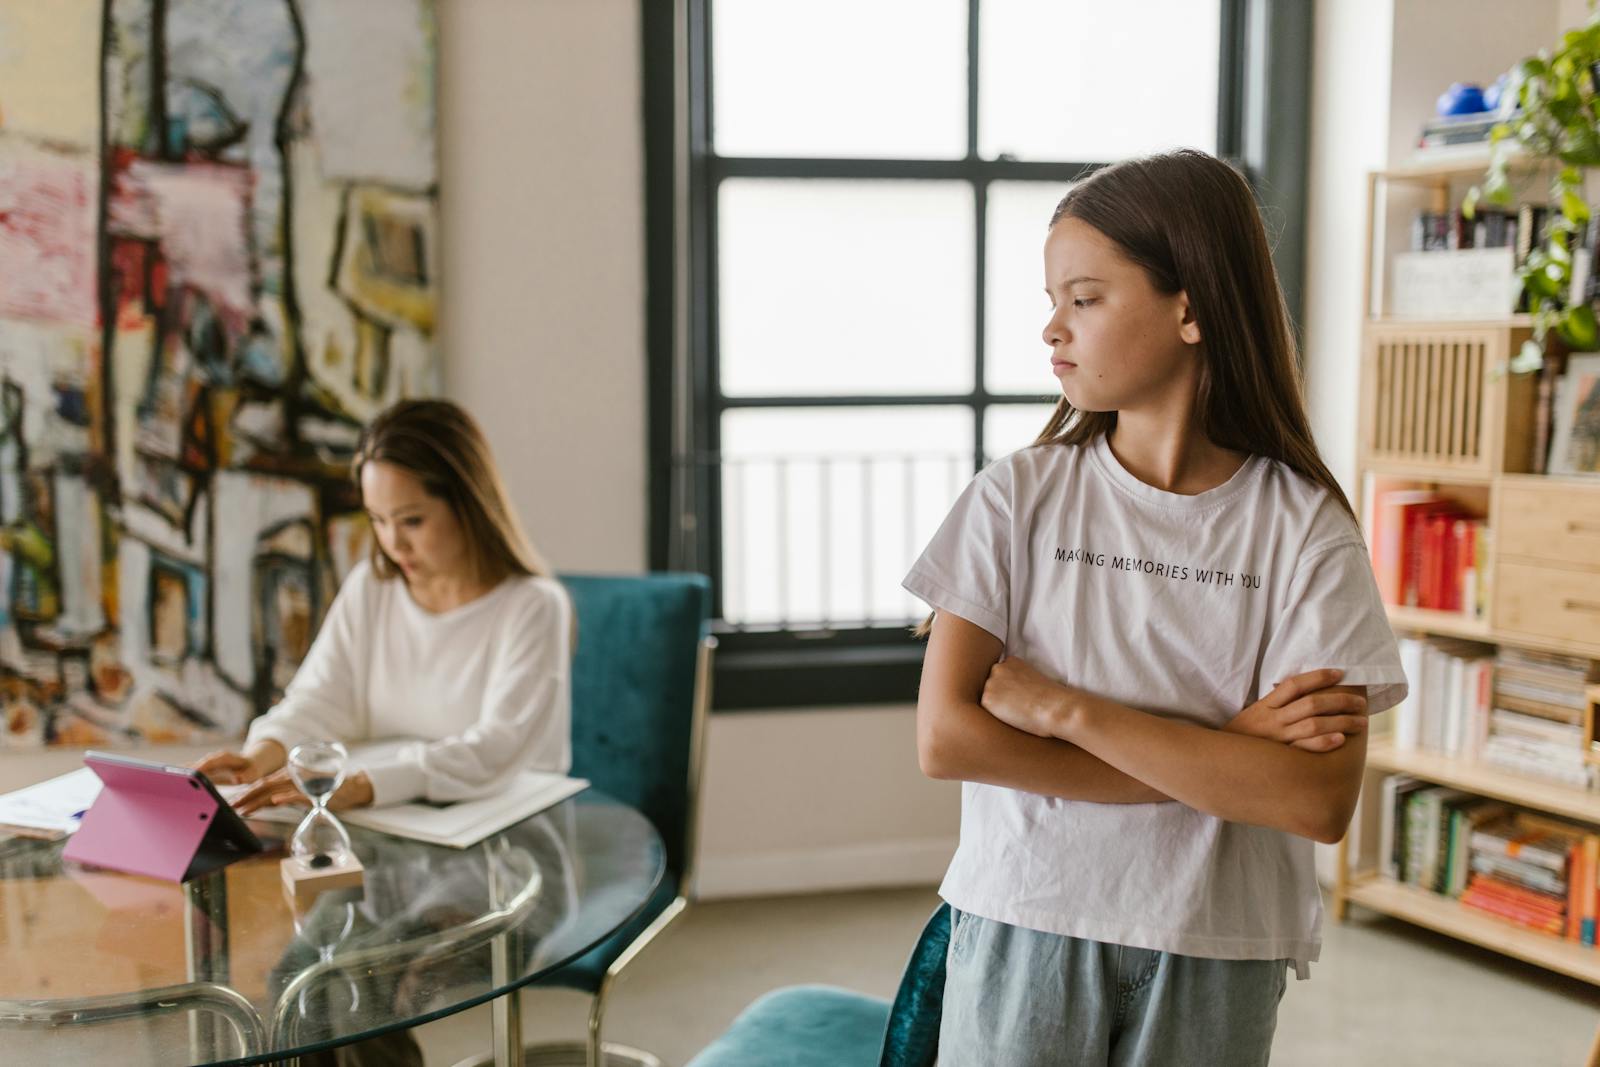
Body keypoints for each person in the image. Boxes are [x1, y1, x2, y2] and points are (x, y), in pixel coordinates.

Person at [903, 149, 1408, 1066]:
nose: (1053, 328)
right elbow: (948, 739)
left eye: (1085, 298)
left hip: (1218, 948)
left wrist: (1067, 712)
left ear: (1191, 306)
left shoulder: (1305, 529)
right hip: (1029, 917)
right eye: (1052, 300)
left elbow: (1314, 797)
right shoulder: (1013, 501)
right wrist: (1229, 751)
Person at [197, 397, 572, 817]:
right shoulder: (372, 588)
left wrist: (363, 785)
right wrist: (261, 756)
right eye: (378, 519)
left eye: (412, 521)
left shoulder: (534, 606)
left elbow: (497, 748)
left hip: (513, 837)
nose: (394, 544)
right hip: (396, 826)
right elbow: (322, 699)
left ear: (469, 506)